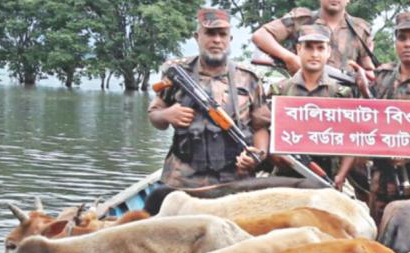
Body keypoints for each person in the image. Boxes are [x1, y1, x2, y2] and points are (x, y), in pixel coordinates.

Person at [335, 10, 410, 223]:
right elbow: (366, 123)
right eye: (402, 38)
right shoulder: (382, 77)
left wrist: (408, 151)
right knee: (379, 233)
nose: (407, 44)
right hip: (381, 177)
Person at [148, 8, 270, 189]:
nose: (217, 40)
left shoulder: (249, 78)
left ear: (230, 40)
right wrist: (167, 115)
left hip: (235, 179)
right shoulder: (177, 72)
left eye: (222, 34)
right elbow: (154, 115)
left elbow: (261, 126)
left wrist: (257, 156)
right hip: (182, 179)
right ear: (197, 37)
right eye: (210, 33)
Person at [268, 24, 355, 180]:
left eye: (320, 48)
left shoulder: (341, 94)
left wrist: (341, 175)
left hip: (327, 174)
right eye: (308, 48)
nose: (314, 54)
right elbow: (264, 131)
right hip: (286, 175)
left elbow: (352, 139)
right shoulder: (279, 90)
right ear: (298, 49)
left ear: (328, 52)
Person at [252, 0, 376, 76]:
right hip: (302, 95)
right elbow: (260, 36)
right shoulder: (302, 19)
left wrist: (364, 76)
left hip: (343, 102)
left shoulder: (360, 29)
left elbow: (368, 68)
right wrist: (289, 58)